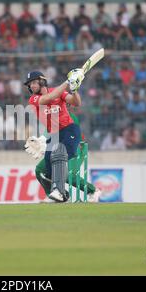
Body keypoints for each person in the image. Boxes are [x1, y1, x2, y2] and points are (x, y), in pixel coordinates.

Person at [24, 69, 100, 203]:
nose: (32, 86)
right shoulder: (34, 98)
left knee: (59, 157)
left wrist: (74, 89)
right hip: (54, 136)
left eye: (34, 82)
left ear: (42, 81)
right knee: (43, 171)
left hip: (70, 132)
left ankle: (61, 192)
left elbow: (76, 102)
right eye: (30, 84)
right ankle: (60, 195)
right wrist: (67, 82)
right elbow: (48, 98)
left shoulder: (59, 93)